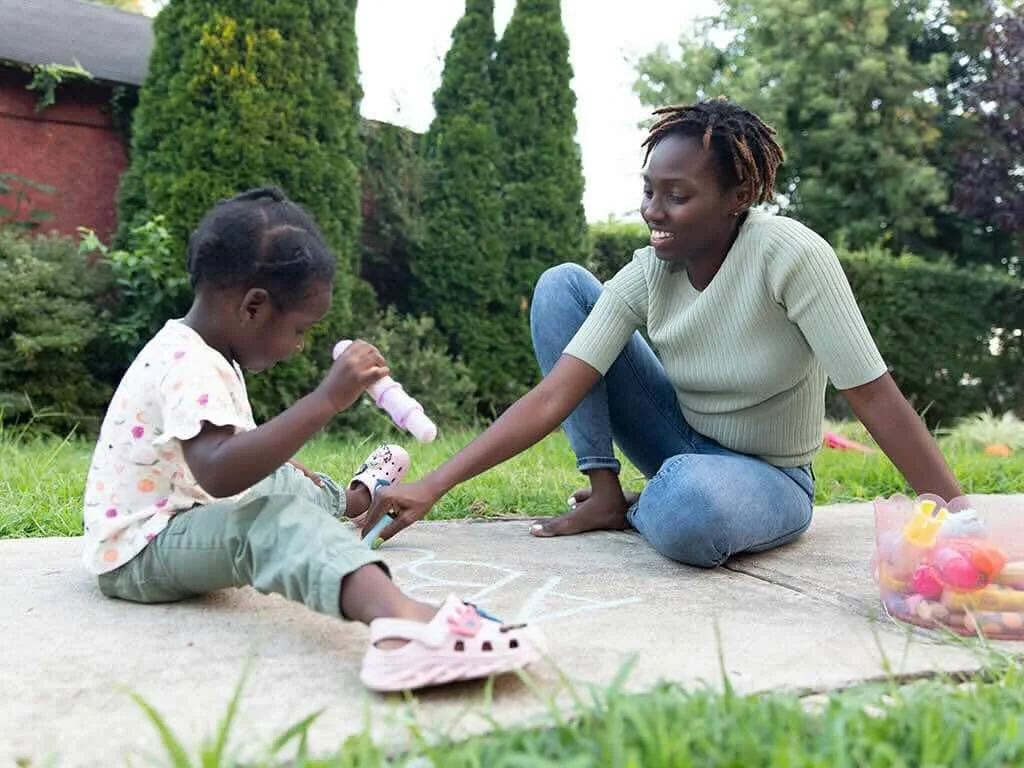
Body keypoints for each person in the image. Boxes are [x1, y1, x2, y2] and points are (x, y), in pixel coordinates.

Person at [362, 99, 962, 568]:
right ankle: (604, 495)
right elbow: (555, 395)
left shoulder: (792, 256)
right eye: (649, 190)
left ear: (740, 196)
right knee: (562, 285)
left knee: (687, 510)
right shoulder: (647, 272)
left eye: (678, 196)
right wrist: (434, 484)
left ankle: (652, 502)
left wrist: (959, 516)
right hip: (677, 440)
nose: (654, 210)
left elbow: (873, 395)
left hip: (770, 479)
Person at [82, 187, 544, 692]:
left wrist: (277, 455)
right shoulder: (189, 364)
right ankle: (400, 624)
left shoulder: (202, 349)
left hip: (181, 509)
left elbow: (218, 453)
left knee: (282, 475)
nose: (301, 344)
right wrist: (327, 398)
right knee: (272, 523)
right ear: (254, 306)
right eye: (301, 329)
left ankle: (354, 498)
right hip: (141, 549)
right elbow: (218, 473)